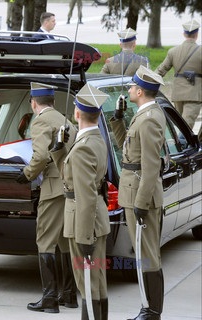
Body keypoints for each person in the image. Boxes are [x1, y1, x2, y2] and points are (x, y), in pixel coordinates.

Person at [110, 66, 166, 320]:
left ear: (141, 91)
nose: (129, 90)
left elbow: (151, 165)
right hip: (133, 193)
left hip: (140, 196)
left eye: (132, 87)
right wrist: (118, 119)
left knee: (148, 254)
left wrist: (142, 202)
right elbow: (126, 148)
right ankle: (147, 307)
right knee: (142, 252)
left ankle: (151, 310)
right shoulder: (143, 114)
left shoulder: (150, 118)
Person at [16, 83, 78, 313]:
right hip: (68, 186)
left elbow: (40, 155)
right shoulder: (65, 119)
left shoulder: (41, 120)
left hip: (52, 188)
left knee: (44, 241)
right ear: (52, 101)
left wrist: (28, 174)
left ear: (34, 103)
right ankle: (69, 294)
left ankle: (49, 298)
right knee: (64, 242)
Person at [51, 84, 111, 320]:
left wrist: (85, 238)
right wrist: (58, 150)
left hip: (84, 221)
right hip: (94, 217)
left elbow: (84, 194)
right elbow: (71, 176)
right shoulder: (95, 139)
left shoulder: (83, 148)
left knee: (87, 281)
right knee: (97, 279)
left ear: (77, 113)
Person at [155, 19, 201, 131]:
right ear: (197, 34)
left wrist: (145, 84)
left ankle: (184, 144)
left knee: (181, 125)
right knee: (186, 126)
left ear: (184, 34)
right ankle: (184, 145)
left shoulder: (173, 51)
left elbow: (160, 71)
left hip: (178, 94)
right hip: (194, 94)